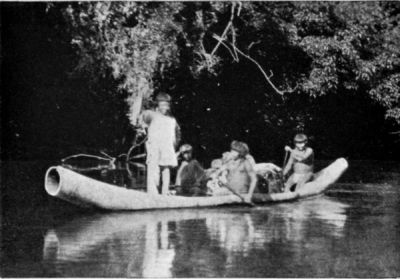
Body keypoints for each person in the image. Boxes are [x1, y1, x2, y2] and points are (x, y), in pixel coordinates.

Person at [140, 93, 181, 195]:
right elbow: (141, 119)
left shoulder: (172, 120)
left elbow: (177, 133)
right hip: (154, 147)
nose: (165, 107)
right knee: (153, 170)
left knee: (166, 169)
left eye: (167, 105)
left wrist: (174, 145)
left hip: (167, 147)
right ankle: (153, 194)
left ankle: (165, 193)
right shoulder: (152, 115)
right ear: (157, 105)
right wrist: (142, 130)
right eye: (162, 104)